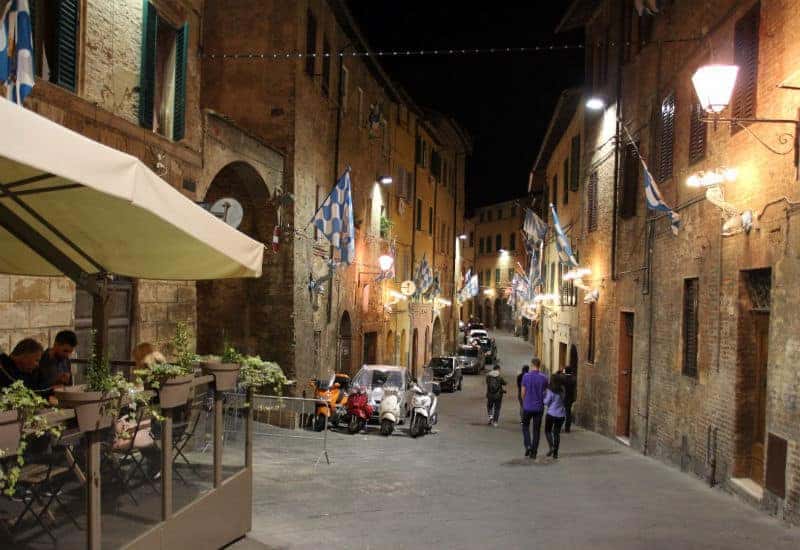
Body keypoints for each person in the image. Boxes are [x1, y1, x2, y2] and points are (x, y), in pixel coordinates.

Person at [520, 357, 548, 459]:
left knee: (525, 427)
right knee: (536, 430)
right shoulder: (544, 378)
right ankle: (534, 452)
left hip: (527, 406)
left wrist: (524, 402)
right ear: (539, 365)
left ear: (532, 365)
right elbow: (545, 392)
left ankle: (528, 446)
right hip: (539, 408)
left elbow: (523, 392)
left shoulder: (526, 376)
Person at [544, 374, 567, 459]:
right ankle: (555, 453)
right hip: (561, 414)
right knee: (556, 433)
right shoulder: (563, 390)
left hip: (551, 414)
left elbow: (546, 402)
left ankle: (551, 447)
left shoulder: (551, 391)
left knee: (547, 431)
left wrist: (543, 397)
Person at [562, 365, 577, 433]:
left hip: (563, 397)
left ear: (565, 371)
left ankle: (558, 427)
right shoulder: (574, 379)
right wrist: (574, 398)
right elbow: (575, 389)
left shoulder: (562, 378)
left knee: (561, 412)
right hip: (570, 398)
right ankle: (567, 428)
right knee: (568, 413)